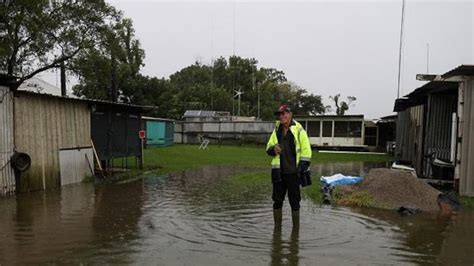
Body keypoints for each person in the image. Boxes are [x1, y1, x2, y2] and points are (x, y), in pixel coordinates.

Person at [266, 104, 312, 226]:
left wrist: (301, 170)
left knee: (295, 202)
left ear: (290, 114)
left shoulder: (299, 129)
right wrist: (273, 149)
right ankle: (277, 229)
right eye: (280, 115)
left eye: (284, 113)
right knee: (277, 201)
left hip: (293, 174)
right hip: (278, 173)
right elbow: (268, 148)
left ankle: (295, 231)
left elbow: (306, 151)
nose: (281, 116)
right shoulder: (276, 130)